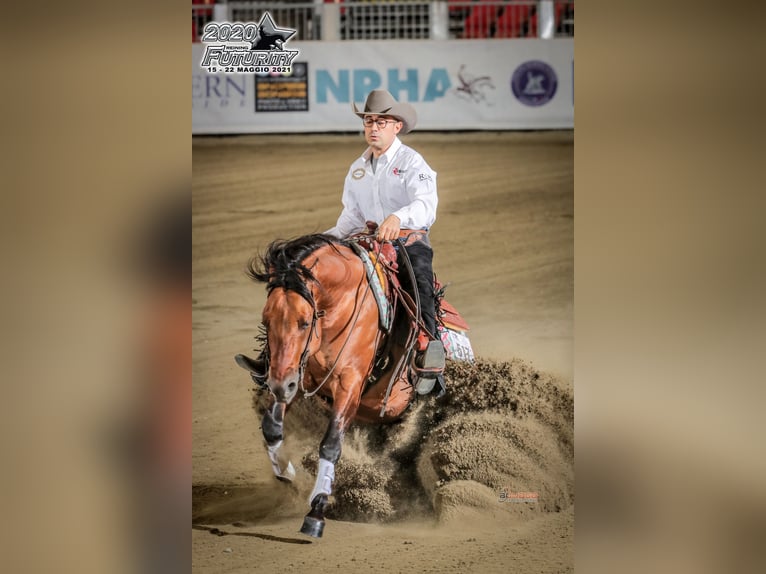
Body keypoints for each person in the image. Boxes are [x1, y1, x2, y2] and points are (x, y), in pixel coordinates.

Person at [324, 89, 445, 391]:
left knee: (418, 283)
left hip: (408, 243)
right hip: (366, 245)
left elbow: (426, 206)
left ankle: (427, 350)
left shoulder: (413, 163)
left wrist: (398, 218)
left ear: (397, 126)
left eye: (381, 122)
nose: (373, 128)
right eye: (368, 122)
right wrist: (318, 242)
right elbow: (350, 220)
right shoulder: (358, 170)